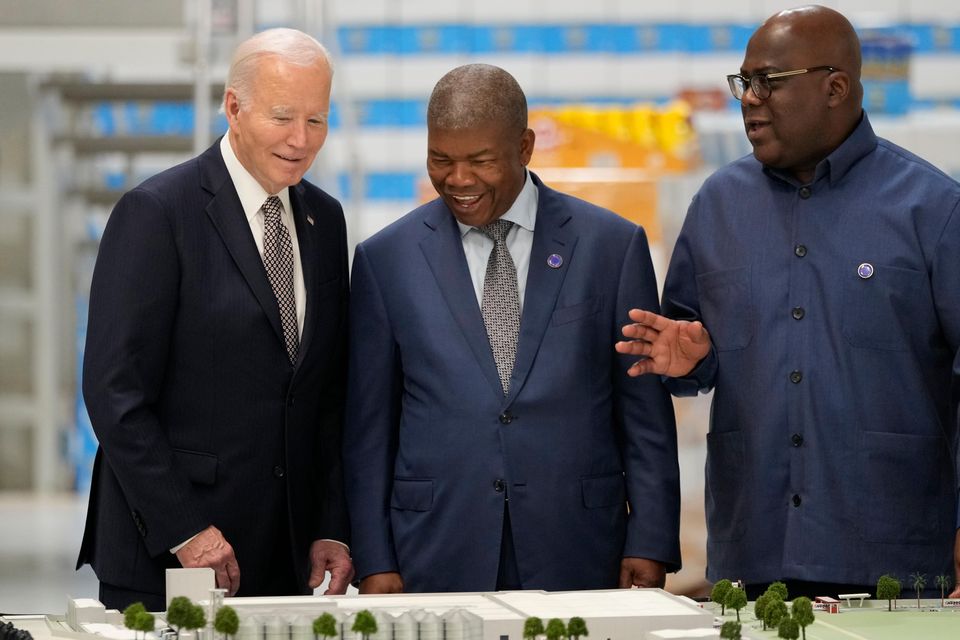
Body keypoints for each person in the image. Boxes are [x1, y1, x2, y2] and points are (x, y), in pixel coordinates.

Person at [617, 5, 960, 600]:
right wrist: (690, 359)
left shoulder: (933, 210)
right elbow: (693, 349)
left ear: (836, 88)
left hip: (895, 559)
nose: (749, 99)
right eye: (743, 83)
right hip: (754, 555)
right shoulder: (718, 204)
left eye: (768, 82)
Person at [343, 63, 680, 594]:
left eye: (480, 160)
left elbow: (644, 417)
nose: (458, 180)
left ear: (524, 147)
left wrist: (652, 539)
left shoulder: (611, 247)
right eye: (441, 159)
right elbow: (368, 430)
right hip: (433, 547)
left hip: (580, 544)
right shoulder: (384, 260)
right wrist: (373, 557)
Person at [77, 28, 354, 610]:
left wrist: (330, 523)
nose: (301, 141)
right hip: (172, 555)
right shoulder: (156, 213)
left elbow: (324, 393)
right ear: (233, 107)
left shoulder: (325, 222)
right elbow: (114, 393)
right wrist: (186, 529)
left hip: (284, 556)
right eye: (283, 118)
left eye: (317, 121)